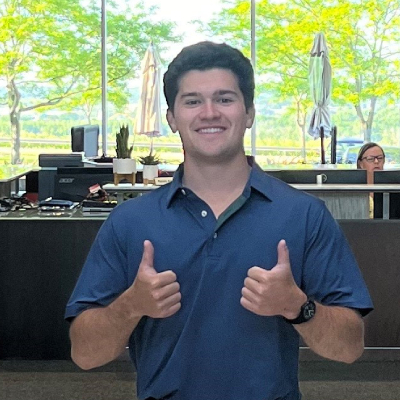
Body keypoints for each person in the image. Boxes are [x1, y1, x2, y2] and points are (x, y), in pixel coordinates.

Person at [65, 41, 373, 400]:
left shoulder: (303, 215)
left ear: (249, 113)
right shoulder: (129, 222)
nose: (209, 113)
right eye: (192, 101)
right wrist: (130, 306)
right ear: (172, 118)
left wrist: (297, 307)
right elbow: (84, 354)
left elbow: (349, 347)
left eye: (224, 99)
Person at [357, 142, 400, 219]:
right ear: (361, 164)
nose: (376, 162)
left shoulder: (394, 188)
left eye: (380, 158)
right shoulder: (354, 188)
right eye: (370, 159)